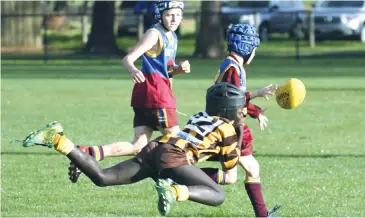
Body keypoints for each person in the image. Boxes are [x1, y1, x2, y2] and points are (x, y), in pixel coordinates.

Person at [20, 82, 248, 217]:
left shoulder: (201, 115)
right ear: (228, 110)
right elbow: (229, 173)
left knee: (103, 177)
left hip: (157, 147)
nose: (243, 114)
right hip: (174, 157)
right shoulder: (228, 129)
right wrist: (239, 141)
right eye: (240, 110)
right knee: (218, 196)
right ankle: (174, 192)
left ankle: (58, 139)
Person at [66, 0, 190, 183]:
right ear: (160, 15)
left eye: (178, 15)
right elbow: (128, 58)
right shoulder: (154, 34)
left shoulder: (172, 36)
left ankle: (86, 154)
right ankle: (169, 180)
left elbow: (165, 69)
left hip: (147, 94)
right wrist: (133, 70)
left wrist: (178, 69)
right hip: (157, 95)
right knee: (176, 140)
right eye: (169, 14)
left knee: (138, 145)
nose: (174, 19)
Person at [199, 24, 279, 217]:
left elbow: (235, 96)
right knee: (247, 170)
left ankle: (176, 177)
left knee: (233, 175)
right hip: (230, 128)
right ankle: (176, 177)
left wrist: (256, 104)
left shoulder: (231, 64)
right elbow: (234, 100)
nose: (254, 53)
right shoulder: (234, 67)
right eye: (254, 48)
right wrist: (256, 109)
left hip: (226, 124)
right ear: (247, 48)